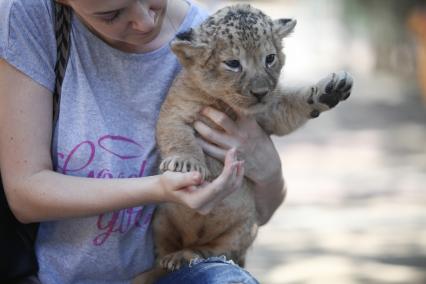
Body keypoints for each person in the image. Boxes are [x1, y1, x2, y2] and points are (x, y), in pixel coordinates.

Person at [0, 0, 286, 283]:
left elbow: (259, 214)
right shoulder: (30, 17)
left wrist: (270, 171)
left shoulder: (210, 41)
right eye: (111, 14)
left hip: (173, 270)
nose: (145, 22)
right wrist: (159, 188)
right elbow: (25, 193)